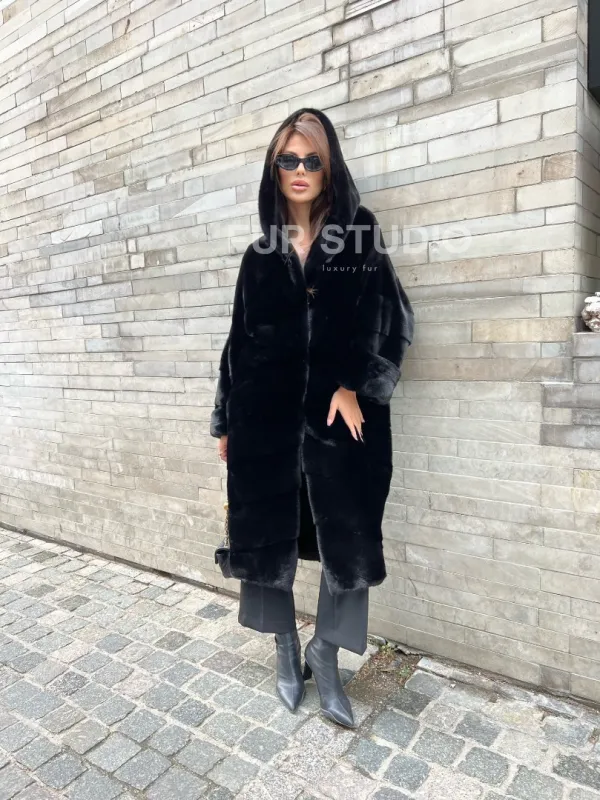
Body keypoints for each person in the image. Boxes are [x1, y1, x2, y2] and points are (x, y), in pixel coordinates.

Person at [209, 107, 414, 729]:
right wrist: (225, 421)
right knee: (264, 532)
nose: (300, 170)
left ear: (330, 168)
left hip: (340, 421)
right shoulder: (260, 255)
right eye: (288, 159)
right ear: (274, 169)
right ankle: (284, 646)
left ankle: (326, 653)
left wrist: (353, 383)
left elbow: (393, 319)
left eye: (312, 159)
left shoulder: (357, 234)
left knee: (347, 537)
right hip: (263, 421)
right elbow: (238, 342)